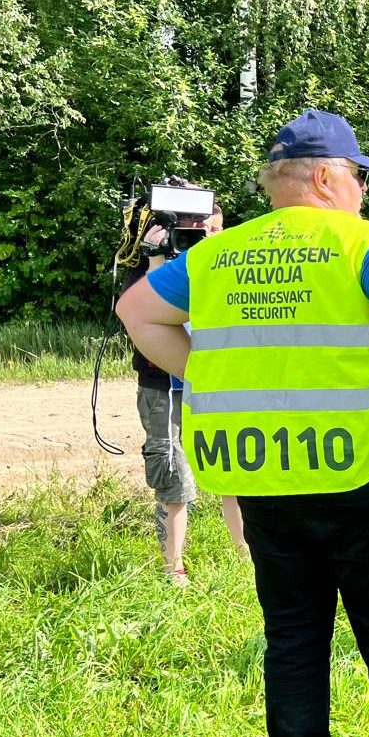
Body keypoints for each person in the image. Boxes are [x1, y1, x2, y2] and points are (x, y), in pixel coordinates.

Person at [117, 108, 369, 737]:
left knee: (294, 639)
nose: (363, 191)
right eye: (360, 177)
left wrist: (206, 375)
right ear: (327, 177)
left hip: (264, 478)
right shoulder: (363, 241)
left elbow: (137, 312)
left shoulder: (217, 254)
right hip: (362, 471)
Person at [121, 199, 248, 587]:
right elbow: (136, 315)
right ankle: (173, 568)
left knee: (235, 472)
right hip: (164, 385)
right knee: (172, 475)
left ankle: (247, 558)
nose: (205, 237)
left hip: (218, 381)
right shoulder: (150, 264)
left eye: (214, 229)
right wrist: (155, 260)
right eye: (196, 229)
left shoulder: (228, 267)